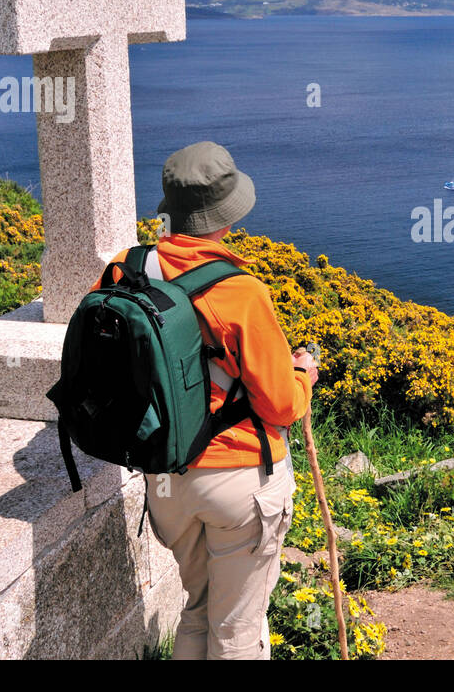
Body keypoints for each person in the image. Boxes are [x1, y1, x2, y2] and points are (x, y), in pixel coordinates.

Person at [91, 141, 318, 660]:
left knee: (199, 606)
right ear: (226, 213)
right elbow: (280, 407)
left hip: (164, 477)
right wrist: (303, 375)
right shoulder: (240, 290)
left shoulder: (124, 268)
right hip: (236, 482)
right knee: (238, 630)